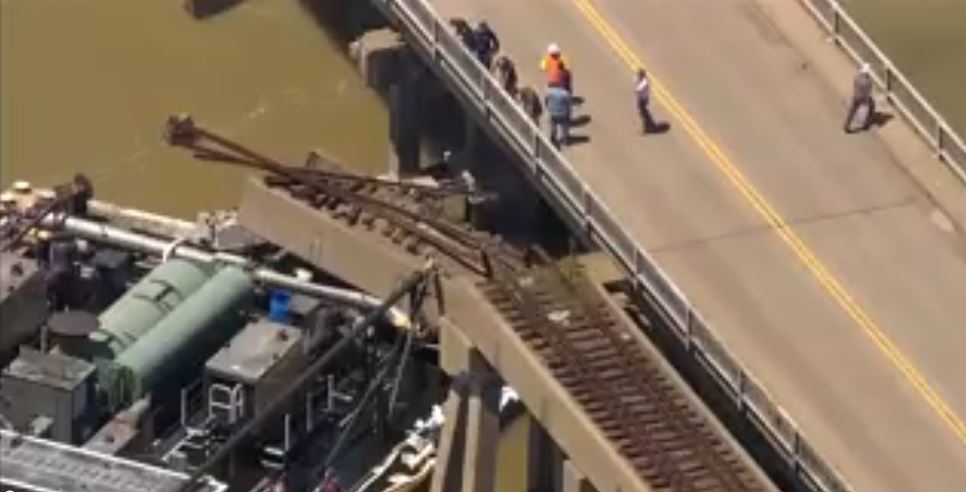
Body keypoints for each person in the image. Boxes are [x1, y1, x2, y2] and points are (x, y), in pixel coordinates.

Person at [844, 62, 875, 133]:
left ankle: (846, 125)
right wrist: (867, 100)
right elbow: (868, 91)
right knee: (872, 106)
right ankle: (866, 124)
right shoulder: (868, 81)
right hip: (863, 97)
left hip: (856, 96)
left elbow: (855, 85)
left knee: (852, 111)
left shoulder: (857, 77)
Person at [635, 69, 658, 134]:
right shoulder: (642, 81)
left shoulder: (644, 83)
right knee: (644, 113)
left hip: (643, 99)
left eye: (639, 75)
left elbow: (638, 90)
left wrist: (637, 92)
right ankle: (650, 125)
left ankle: (646, 128)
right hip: (642, 99)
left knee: (643, 114)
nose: (638, 76)